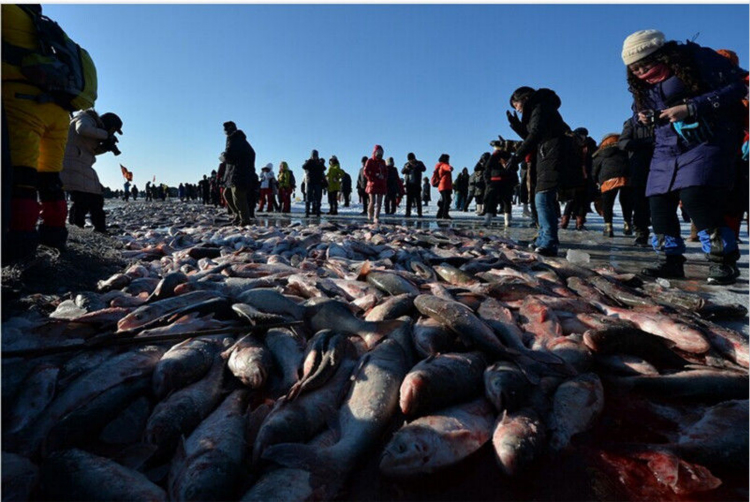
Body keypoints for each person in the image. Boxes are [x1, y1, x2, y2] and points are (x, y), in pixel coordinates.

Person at [622, 29, 747, 284]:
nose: (640, 72)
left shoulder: (695, 60)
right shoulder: (641, 85)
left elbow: (737, 87)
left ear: (661, 55)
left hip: (706, 137)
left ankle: (723, 262)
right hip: (665, 145)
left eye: (645, 64)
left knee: (695, 196)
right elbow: (637, 110)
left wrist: (691, 107)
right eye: (634, 69)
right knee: (657, 201)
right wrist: (641, 117)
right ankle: (670, 261)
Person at [3, 5, 81, 260]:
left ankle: (21, 241)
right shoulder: (48, 30)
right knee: (50, 180)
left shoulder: (7, 12)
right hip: (59, 111)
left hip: (23, 102)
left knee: (22, 178)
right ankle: (55, 236)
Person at [505, 86, 573, 257]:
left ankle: (549, 241)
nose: (517, 109)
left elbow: (535, 135)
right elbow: (533, 135)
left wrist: (516, 157)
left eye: (516, 105)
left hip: (553, 153)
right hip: (547, 154)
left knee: (542, 199)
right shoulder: (539, 109)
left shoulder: (541, 107)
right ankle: (543, 238)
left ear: (525, 98)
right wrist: (517, 126)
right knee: (541, 199)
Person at [60, 110, 122, 234]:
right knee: (88, 198)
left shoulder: (94, 128)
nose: (112, 133)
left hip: (79, 164)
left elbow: (91, 151)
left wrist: (105, 147)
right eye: (113, 131)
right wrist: (105, 135)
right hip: (73, 163)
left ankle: (83, 228)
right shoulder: (86, 118)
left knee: (87, 199)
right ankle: (84, 229)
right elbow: (82, 129)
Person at [618, 115, 655, 246]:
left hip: (662, 165)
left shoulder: (662, 118)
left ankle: (665, 234)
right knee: (641, 203)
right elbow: (622, 143)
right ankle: (641, 233)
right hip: (639, 168)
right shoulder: (632, 123)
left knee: (662, 201)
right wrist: (646, 142)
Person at [592, 133, 634, 237]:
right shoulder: (626, 150)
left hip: (607, 178)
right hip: (626, 177)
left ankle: (608, 227)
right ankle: (627, 224)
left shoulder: (601, 152)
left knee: (607, 203)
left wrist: (595, 180)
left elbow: (594, 169)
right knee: (626, 201)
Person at [220, 121, 255, 225]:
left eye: (227, 129)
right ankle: (237, 216)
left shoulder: (235, 139)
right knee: (227, 194)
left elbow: (232, 156)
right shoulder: (235, 139)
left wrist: (225, 156)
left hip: (240, 173)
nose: (225, 131)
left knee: (238, 196)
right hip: (233, 174)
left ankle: (245, 220)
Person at [560, 128, 591, 231]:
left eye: (585, 135)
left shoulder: (589, 145)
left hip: (585, 177)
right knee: (571, 200)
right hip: (573, 176)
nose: (583, 137)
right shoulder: (570, 144)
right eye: (581, 135)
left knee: (582, 200)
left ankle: (579, 223)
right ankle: (564, 221)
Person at [482, 141, 516, 226]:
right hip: (500, 181)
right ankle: (504, 220)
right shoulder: (504, 155)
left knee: (499, 201)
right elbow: (488, 167)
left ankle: (491, 220)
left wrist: (488, 181)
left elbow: (487, 167)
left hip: (499, 181)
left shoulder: (499, 155)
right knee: (502, 201)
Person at [364, 145, 387, 224]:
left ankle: (376, 216)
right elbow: (365, 171)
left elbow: (386, 171)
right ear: (374, 152)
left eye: (381, 153)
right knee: (372, 201)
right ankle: (370, 214)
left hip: (380, 183)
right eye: (378, 152)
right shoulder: (369, 161)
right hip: (372, 184)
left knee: (379, 202)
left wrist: (383, 176)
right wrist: (372, 177)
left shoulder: (383, 162)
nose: (380, 154)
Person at [401, 152, 426, 217]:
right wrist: (406, 168)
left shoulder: (419, 163)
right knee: (409, 200)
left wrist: (416, 167)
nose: (411, 161)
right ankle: (408, 212)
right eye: (409, 160)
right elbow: (402, 171)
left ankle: (419, 213)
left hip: (417, 184)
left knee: (418, 199)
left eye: (412, 159)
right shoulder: (407, 164)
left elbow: (424, 169)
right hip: (409, 185)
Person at [432, 153, 454, 219]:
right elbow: (448, 168)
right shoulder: (444, 165)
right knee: (447, 200)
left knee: (445, 200)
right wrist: (450, 168)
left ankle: (439, 214)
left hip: (442, 186)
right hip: (445, 185)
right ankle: (445, 214)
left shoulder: (439, 165)